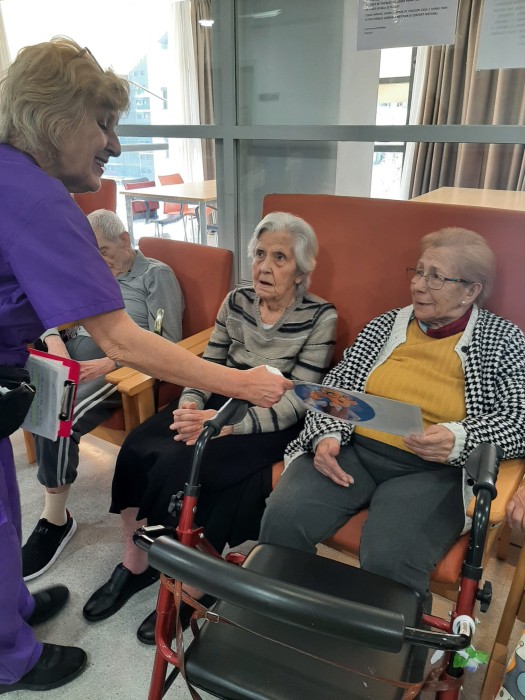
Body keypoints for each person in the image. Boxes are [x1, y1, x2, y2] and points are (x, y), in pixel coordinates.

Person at [0, 37, 291, 695]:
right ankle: (8, 657)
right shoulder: (38, 198)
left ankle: (11, 610)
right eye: (103, 123)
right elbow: (123, 339)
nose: (115, 144)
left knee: (5, 510)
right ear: (54, 117)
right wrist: (240, 384)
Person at [82, 211, 338, 644]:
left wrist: (226, 427)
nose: (264, 266)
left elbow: (299, 400)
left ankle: (195, 584)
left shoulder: (321, 317)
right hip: (218, 395)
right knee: (137, 446)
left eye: (279, 258)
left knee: (194, 468)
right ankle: (135, 563)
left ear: (301, 270)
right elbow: (209, 363)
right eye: (260, 254)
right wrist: (189, 404)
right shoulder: (236, 301)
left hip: (267, 418)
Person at [259, 227, 525, 607]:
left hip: (433, 469)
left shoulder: (503, 339)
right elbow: (337, 386)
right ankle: (284, 612)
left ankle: (395, 642)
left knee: (389, 557)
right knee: (283, 517)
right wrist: (327, 435)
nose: (418, 285)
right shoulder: (387, 324)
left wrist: (459, 438)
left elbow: (518, 419)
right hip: (354, 448)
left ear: (470, 291)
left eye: (436, 277)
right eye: (418, 272)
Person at [22, 208, 185, 582]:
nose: (97, 261)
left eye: (104, 251)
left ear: (125, 240)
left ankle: (55, 518)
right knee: (28, 395)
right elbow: (46, 303)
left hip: (121, 368)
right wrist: (53, 340)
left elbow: (168, 340)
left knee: (60, 416)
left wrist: (110, 361)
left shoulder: (155, 275)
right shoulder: (91, 270)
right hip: (71, 354)